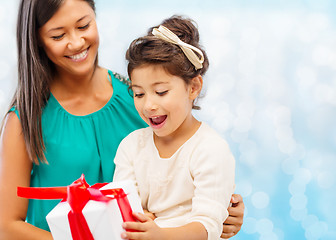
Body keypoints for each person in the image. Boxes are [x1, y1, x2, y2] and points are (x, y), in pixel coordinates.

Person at [0, 0, 244, 239]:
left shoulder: (139, 99)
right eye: (57, 36)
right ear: (37, 40)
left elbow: (185, 168)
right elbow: (7, 227)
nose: (76, 42)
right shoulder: (25, 120)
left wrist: (224, 209)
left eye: (84, 26)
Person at [113, 16, 235, 240]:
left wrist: (159, 234)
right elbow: (122, 211)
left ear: (193, 87)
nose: (149, 105)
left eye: (161, 92)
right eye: (139, 93)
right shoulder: (131, 146)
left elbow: (208, 226)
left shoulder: (210, 149)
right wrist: (136, 218)